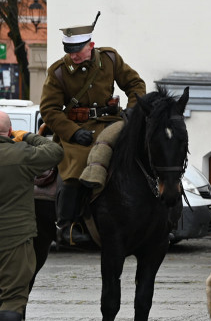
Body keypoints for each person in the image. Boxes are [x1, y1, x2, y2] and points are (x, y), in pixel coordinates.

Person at [39, 14, 147, 228]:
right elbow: (49, 110)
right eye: (69, 51)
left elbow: (135, 84)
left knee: (140, 154)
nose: (73, 56)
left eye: (77, 50)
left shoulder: (109, 59)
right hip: (77, 129)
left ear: (91, 45)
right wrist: (72, 132)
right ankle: (67, 224)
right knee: (77, 166)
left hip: (112, 122)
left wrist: (133, 110)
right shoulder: (58, 72)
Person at [0, 110, 63, 321]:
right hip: (14, 238)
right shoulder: (21, 154)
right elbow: (55, 151)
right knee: (13, 295)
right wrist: (26, 136)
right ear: (9, 131)